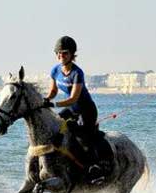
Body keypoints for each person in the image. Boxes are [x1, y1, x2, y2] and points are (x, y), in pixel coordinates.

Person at [44, 35, 108, 182]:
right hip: (71, 110)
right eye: (58, 53)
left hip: (86, 110)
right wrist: (47, 99)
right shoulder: (55, 70)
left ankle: (95, 168)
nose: (61, 55)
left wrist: (53, 104)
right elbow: (53, 92)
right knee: (55, 128)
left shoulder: (77, 73)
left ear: (72, 55)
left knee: (83, 138)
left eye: (64, 52)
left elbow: (73, 98)